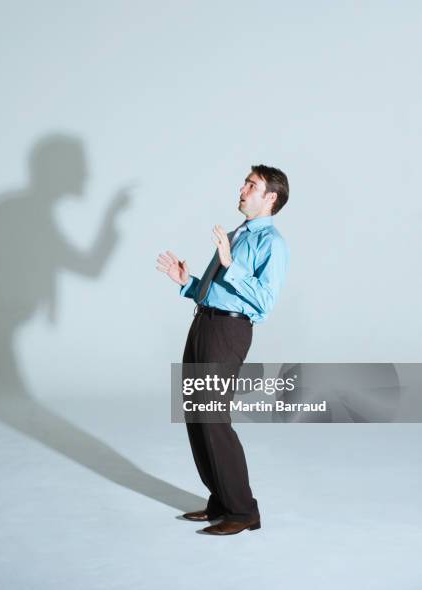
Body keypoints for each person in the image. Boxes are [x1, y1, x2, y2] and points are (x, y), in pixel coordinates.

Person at [156, 165, 290, 535]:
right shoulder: (237, 234)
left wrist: (230, 264)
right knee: (197, 415)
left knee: (214, 418)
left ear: (271, 198)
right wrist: (187, 283)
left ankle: (244, 511)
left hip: (229, 330)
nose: (243, 189)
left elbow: (263, 301)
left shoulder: (271, 243)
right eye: (245, 183)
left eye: (252, 185)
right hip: (204, 322)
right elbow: (218, 289)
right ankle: (220, 499)